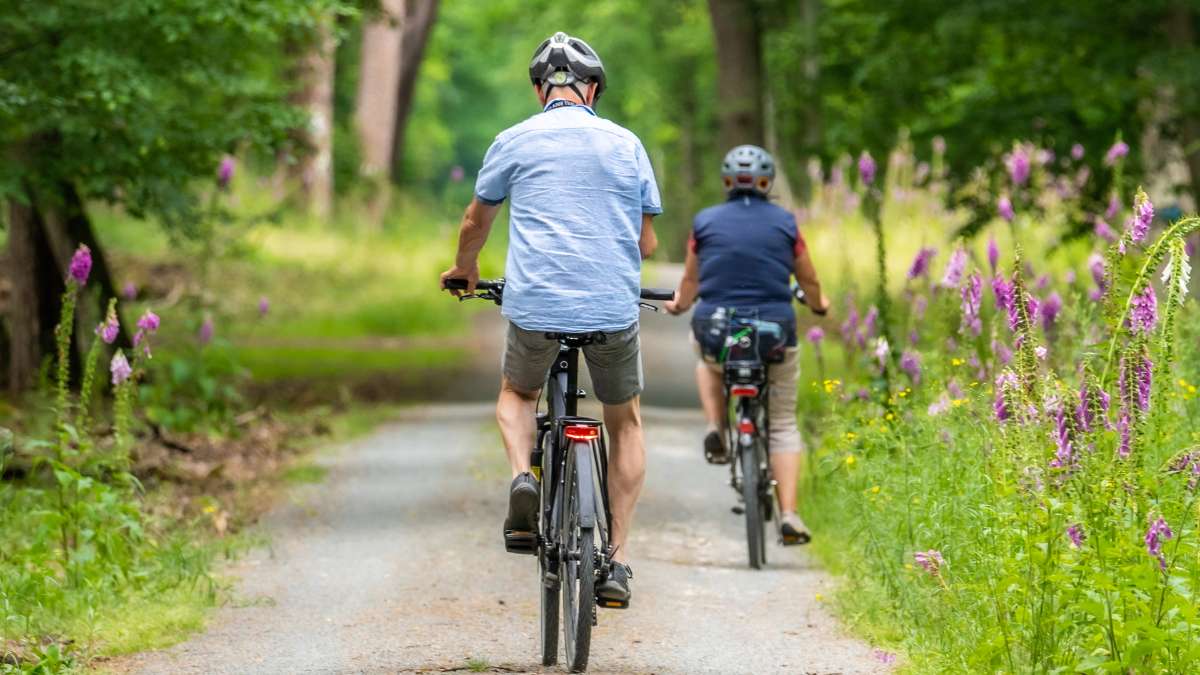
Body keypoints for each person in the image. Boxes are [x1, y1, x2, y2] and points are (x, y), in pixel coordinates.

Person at [439, 32, 661, 605]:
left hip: (535, 304)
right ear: (593, 90)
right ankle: (616, 561)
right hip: (611, 307)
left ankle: (523, 477)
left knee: (517, 393)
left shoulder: (513, 140)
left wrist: (466, 269)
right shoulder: (626, 143)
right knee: (626, 421)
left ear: (541, 90)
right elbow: (648, 240)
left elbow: (474, 222)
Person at [664, 144, 828, 545]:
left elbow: (691, 281)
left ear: (726, 182)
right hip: (774, 332)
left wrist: (680, 304)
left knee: (705, 358)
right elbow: (808, 279)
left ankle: (716, 425)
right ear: (767, 182)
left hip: (717, 329)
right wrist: (820, 305)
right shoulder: (787, 223)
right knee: (784, 423)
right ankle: (789, 514)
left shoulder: (704, 222)